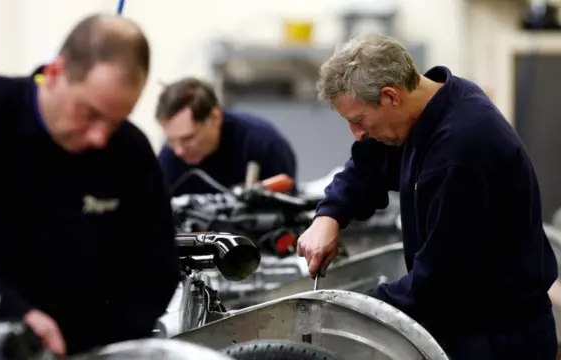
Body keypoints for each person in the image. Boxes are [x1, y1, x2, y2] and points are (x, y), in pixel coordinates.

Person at [0, 14, 180, 356]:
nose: (100, 137)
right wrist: (12, 312)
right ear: (56, 72)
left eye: (116, 121)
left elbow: (155, 268)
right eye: (90, 113)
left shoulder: (129, 154)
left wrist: (104, 344)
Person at [296, 33, 558, 359]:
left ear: (391, 96)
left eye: (358, 120)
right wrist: (329, 216)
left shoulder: (461, 150)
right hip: (463, 323)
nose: (358, 133)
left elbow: (438, 282)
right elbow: (368, 166)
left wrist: (345, 311)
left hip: (497, 340)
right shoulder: (428, 106)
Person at [155, 77, 297, 196]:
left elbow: (289, 213)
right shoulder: (169, 157)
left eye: (188, 139)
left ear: (215, 117)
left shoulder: (263, 144)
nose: (179, 151)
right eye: (170, 140)